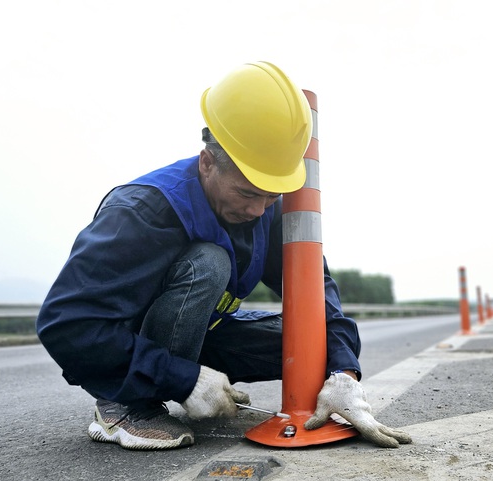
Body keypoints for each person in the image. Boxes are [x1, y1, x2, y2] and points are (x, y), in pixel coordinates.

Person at [36, 61, 412, 451]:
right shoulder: (142, 212)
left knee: (312, 343)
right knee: (209, 262)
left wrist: (342, 373)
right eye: (247, 194)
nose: (258, 210)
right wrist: (183, 379)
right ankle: (125, 405)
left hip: (206, 331)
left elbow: (319, 295)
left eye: (271, 195)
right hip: (127, 343)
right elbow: (69, 325)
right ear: (207, 162)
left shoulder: (268, 210)